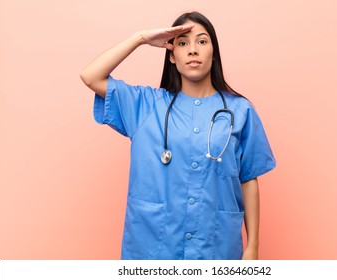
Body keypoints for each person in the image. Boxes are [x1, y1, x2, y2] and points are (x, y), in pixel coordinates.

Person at [80, 11, 276, 260]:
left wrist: (253, 247)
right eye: (183, 43)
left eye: (202, 42)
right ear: (172, 55)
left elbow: (248, 179)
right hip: (152, 249)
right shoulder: (145, 105)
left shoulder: (240, 111)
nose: (193, 50)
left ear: (213, 53)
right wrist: (139, 38)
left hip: (216, 248)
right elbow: (90, 75)